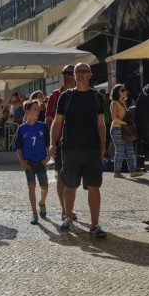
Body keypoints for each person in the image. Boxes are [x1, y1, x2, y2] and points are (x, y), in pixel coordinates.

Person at [49, 63, 107, 238]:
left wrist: (103, 147)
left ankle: (95, 224)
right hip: (70, 148)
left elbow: (100, 124)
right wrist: (52, 143)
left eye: (84, 71)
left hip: (92, 149)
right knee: (70, 186)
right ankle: (67, 218)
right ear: (74, 75)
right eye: (77, 72)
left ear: (90, 75)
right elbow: (57, 122)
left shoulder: (97, 96)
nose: (80, 74)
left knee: (94, 186)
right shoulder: (65, 97)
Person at [45, 64, 76, 221]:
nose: (67, 75)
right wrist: (52, 141)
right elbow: (49, 119)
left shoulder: (80, 94)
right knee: (61, 175)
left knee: (73, 176)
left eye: (70, 73)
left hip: (77, 141)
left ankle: (69, 207)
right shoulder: (54, 96)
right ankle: (65, 210)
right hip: (60, 141)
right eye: (65, 73)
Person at [16, 101, 49, 225]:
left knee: (45, 187)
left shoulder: (43, 126)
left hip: (41, 161)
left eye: (38, 109)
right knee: (31, 186)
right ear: (27, 112)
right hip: (28, 162)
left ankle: (42, 202)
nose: (38, 111)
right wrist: (22, 162)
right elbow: (18, 147)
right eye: (35, 109)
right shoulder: (22, 129)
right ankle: (34, 214)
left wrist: (48, 158)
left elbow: (49, 144)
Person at [110, 84, 143, 179]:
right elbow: (114, 118)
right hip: (117, 129)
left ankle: (133, 171)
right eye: (122, 90)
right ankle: (117, 172)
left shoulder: (123, 102)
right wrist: (125, 123)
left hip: (125, 129)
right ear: (117, 92)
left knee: (130, 150)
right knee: (120, 150)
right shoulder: (114, 103)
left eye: (124, 89)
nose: (124, 91)